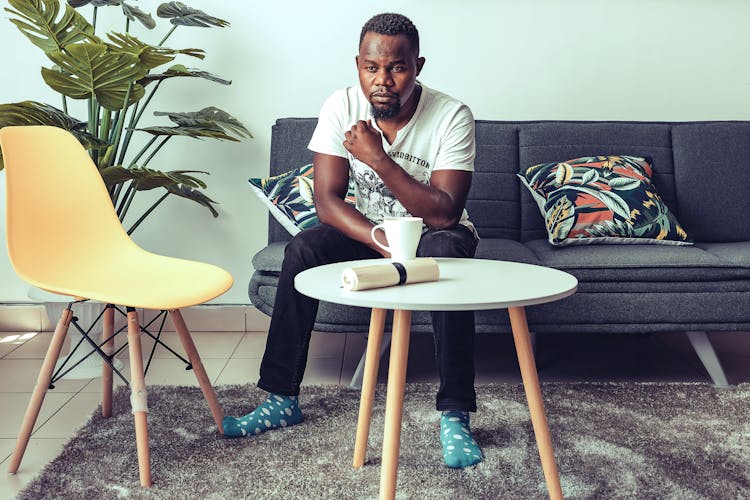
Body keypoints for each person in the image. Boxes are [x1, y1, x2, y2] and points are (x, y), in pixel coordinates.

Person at [224, 12, 483, 469]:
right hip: (373, 229)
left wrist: (379, 160)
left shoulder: (451, 115)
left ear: (417, 66)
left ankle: (455, 412)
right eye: (371, 67)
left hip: (436, 235)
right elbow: (327, 202)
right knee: (304, 249)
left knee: (445, 253)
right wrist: (378, 236)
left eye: (397, 68)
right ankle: (280, 397)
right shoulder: (341, 105)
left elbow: (444, 211)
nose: (382, 80)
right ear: (358, 64)